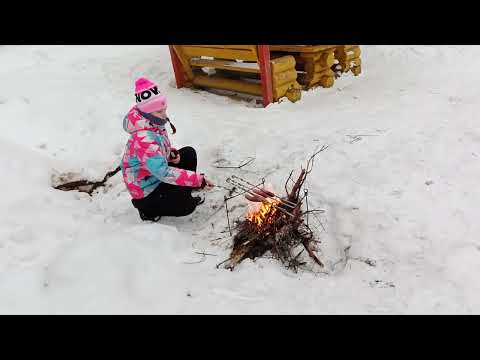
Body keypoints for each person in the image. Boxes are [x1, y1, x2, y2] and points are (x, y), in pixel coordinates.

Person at [121, 77, 214, 222]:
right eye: (159, 112)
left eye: (164, 109)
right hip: (147, 192)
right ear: (146, 112)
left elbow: (157, 152)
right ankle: (148, 211)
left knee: (188, 153)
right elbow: (163, 172)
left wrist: (170, 154)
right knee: (187, 206)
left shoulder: (152, 121)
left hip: (155, 175)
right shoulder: (143, 139)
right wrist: (197, 180)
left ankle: (180, 193)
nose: (164, 115)